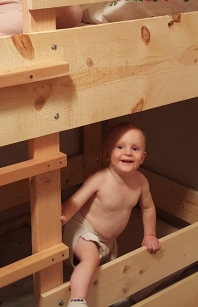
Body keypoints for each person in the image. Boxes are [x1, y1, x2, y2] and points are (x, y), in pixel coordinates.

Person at [60, 122, 162, 306]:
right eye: (120, 147)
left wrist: (149, 234)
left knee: (107, 268)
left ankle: (111, 294)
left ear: (143, 157)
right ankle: (77, 300)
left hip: (108, 240)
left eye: (135, 148)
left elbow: (148, 208)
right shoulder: (100, 180)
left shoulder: (141, 183)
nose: (128, 152)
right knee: (90, 259)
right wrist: (63, 215)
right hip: (84, 228)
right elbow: (77, 200)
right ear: (107, 155)